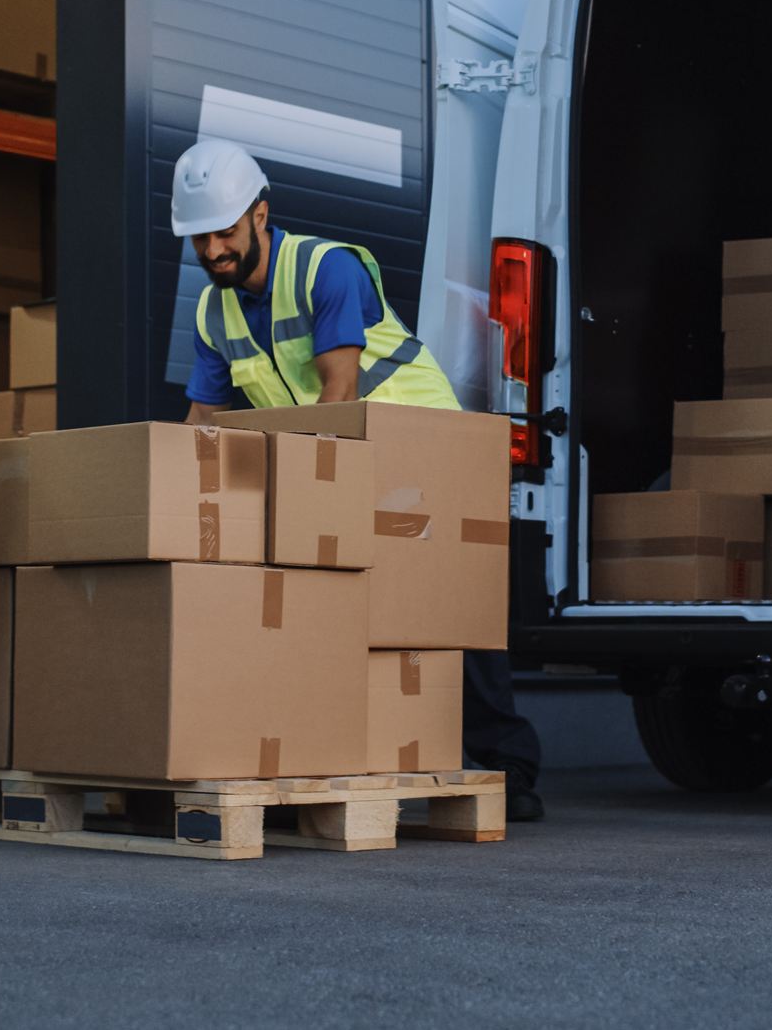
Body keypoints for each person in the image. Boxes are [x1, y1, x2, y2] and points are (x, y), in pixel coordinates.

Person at [173, 137, 544, 821]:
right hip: (342, 455)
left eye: (223, 233)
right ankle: (321, 757)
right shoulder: (210, 311)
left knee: (451, 605)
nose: (212, 252)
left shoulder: (325, 268)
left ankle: (507, 765)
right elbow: (204, 420)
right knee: (340, 606)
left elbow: (339, 391)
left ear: (260, 214)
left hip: (428, 447)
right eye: (198, 239)